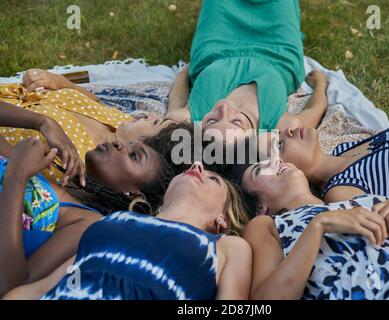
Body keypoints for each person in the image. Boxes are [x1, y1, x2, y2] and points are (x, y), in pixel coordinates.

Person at [3, 163, 252, 300]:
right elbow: (43, 287)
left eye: (213, 178)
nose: (197, 165)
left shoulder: (226, 247)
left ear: (222, 220)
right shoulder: (112, 222)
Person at [240, 159, 389, 299]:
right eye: (261, 169)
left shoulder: (357, 199)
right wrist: (318, 226)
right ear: (260, 207)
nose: (277, 160)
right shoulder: (267, 225)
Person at [0, 134, 175, 295]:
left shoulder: (88, 225)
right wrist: (42, 122)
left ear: (133, 194)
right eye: (128, 145)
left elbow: (11, 287)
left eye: (133, 156)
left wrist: (16, 176)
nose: (118, 143)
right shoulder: (50, 176)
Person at [166, 0, 328, 141]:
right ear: (254, 139)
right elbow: (315, 110)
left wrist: (183, 73)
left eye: (212, 121)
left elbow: (176, 101)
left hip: (216, 46)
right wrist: (320, 83)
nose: (223, 109)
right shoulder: (278, 125)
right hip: (278, 52)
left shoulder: (188, 120)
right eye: (236, 122)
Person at [258, 127, 389, 227]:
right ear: (282, 167)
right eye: (280, 145)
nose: (288, 131)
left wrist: (319, 86)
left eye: (279, 133)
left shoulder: (343, 149)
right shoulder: (340, 191)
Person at [0, 76, 171, 185]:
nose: (152, 114)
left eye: (155, 123)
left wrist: (44, 122)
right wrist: (59, 81)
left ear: (144, 144)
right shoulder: (120, 121)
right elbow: (94, 100)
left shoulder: (77, 159)